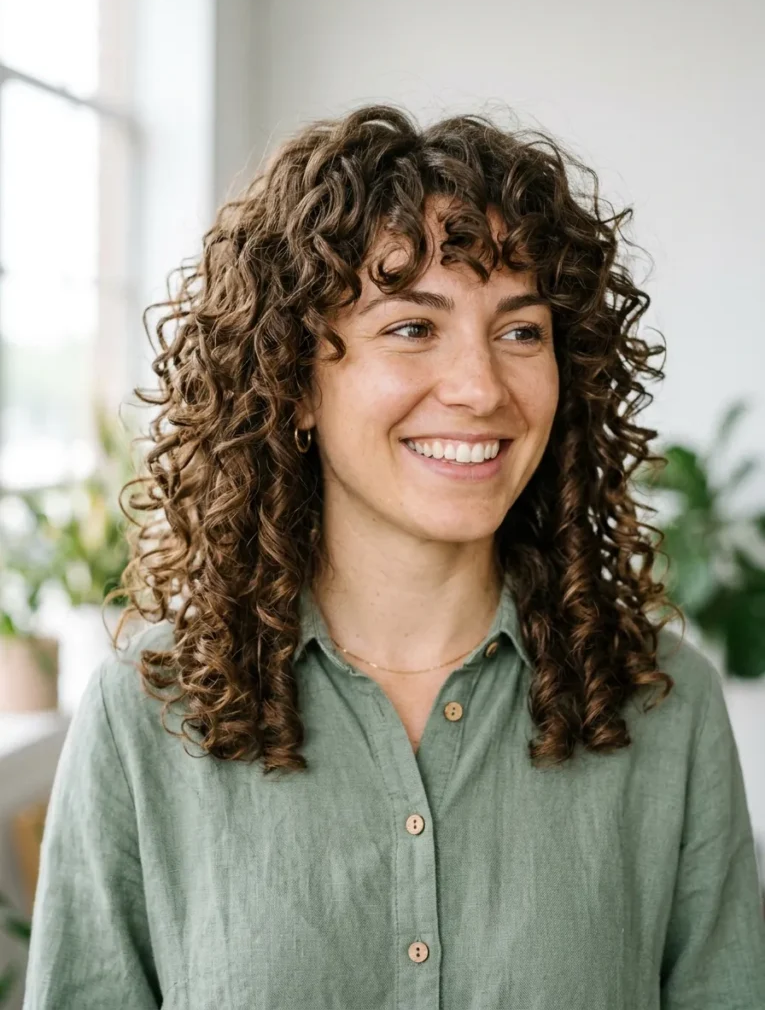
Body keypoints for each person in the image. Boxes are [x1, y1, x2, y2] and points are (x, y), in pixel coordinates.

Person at [23, 103, 765, 1009]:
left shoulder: (664, 707)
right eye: (412, 328)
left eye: (520, 330)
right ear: (294, 381)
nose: (479, 385)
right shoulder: (146, 715)